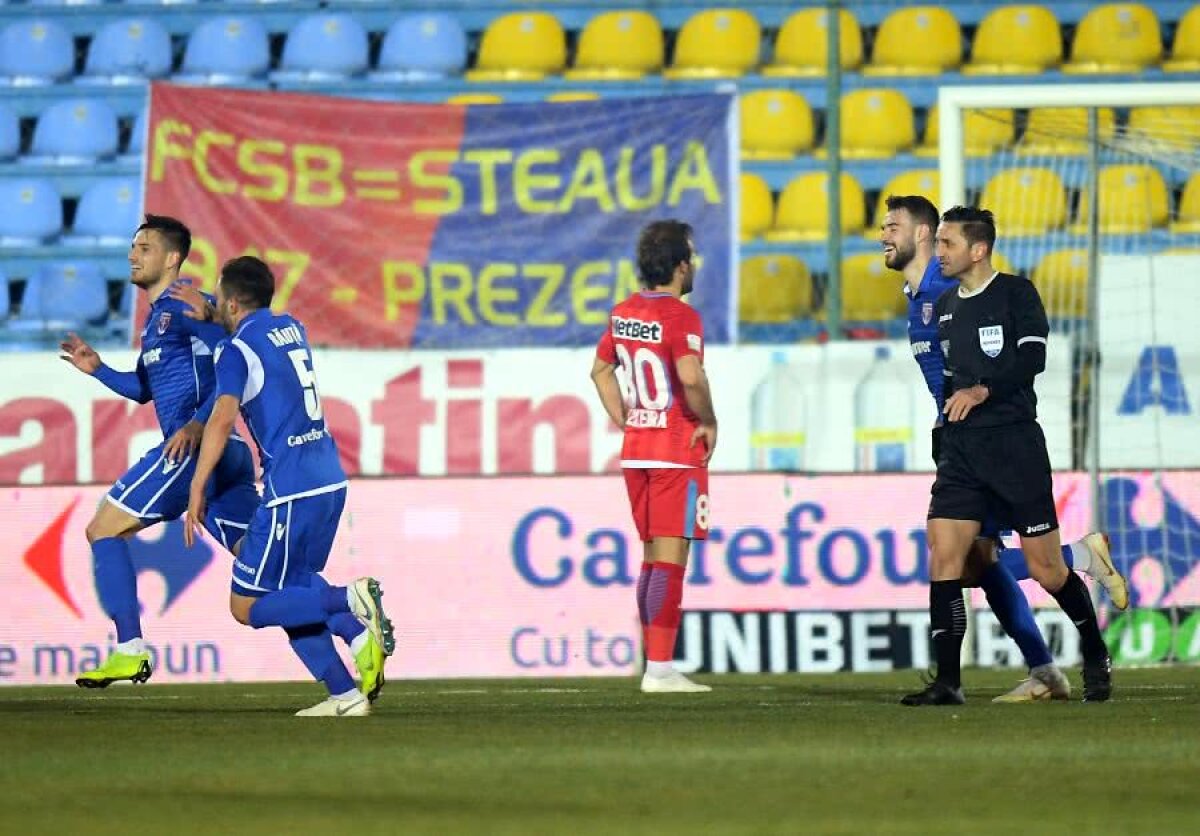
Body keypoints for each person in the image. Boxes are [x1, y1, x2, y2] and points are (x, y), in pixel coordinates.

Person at [882, 195, 1128, 702]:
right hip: (959, 444)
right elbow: (949, 375)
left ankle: (1087, 644)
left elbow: (1030, 362)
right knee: (949, 557)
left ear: (970, 248)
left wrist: (980, 392)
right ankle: (950, 683)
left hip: (1013, 445)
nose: (883, 234)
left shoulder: (1012, 293)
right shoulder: (938, 305)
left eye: (893, 226)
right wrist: (947, 421)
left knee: (1034, 567)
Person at [183, 255, 394, 717]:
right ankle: (345, 692)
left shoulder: (236, 351)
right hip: (329, 479)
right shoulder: (291, 327)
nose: (213, 301)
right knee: (287, 592)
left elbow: (222, 419)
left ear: (233, 302)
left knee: (246, 604)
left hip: (291, 486)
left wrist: (197, 486)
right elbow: (252, 338)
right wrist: (213, 319)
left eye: (218, 295)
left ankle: (349, 600)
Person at [60, 215, 260, 689]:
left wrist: (195, 423)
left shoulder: (188, 305)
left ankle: (130, 649)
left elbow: (233, 366)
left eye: (145, 247)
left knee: (103, 528)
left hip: (195, 447)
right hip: (223, 455)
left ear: (172, 258)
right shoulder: (158, 321)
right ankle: (351, 616)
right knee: (258, 559)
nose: (133, 254)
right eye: (133, 246)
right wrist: (99, 370)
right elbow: (144, 390)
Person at [591, 220, 716, 694]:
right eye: (692, 257)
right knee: (670, 559)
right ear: (681, 266)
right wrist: (709, 421)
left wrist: (626, 418)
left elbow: (601, 370)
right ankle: (660, 668)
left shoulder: (623, 312)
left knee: (650, 560)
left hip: (637, 451)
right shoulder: (683, 318)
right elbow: (690, 375)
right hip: (675, 451)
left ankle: (656, 664)